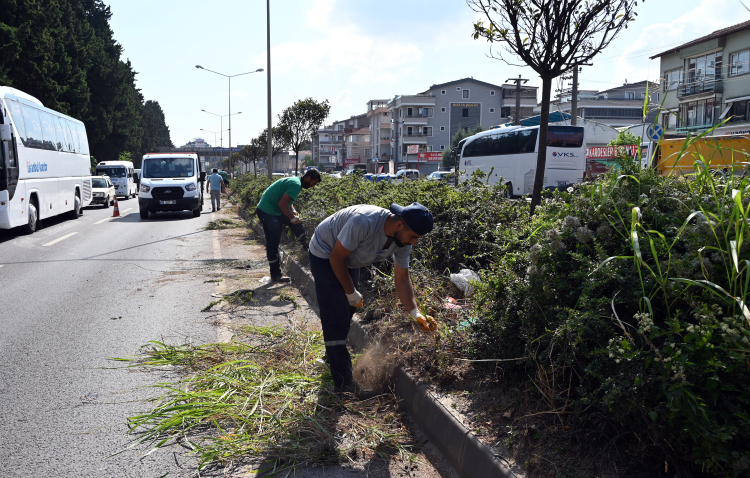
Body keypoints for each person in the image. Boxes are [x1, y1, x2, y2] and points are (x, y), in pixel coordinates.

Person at [308, 203, 437, 399]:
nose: (415, 243)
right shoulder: (364, 222)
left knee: (347, 309)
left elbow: (402, 279)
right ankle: (344, 386)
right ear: (399, 226)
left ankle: (331, 356)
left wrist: (415, 312)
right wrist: (350, 291)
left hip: (349, 258)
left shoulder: (402, 241)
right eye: (414, 237)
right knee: (335, 315)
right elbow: (336, 257)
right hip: (326, 253)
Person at [256, 168, 322, 282]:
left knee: (297, 224)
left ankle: (306, 248)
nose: (313, 186)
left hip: (275, 210)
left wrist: (293, 211)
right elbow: (282, 204)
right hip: (268, 212)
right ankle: (275, 274)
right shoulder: (296, 185)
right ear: (308, 178)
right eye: (313, 183)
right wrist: (292, 217)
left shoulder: (296, 182)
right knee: (273, 243)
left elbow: (287, 202)